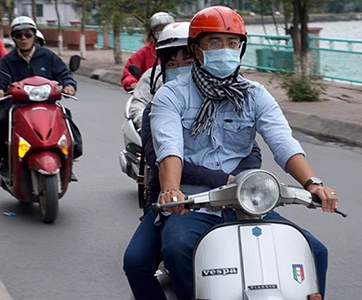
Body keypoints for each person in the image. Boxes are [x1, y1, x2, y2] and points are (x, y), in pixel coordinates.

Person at [127, 6, 339, 300]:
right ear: (196, 49)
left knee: (315, 250)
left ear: (241, 48)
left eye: (232, 43)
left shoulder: (255, 94)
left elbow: (282, 142)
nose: (224, 50)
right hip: (191, 206)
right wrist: (172, 191)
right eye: (214, 43)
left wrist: (313, 183)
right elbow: (169, 148)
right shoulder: (170, 95)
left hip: (244, 203)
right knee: (173, 250)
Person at [123, 19, 263, 299]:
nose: (180, 70)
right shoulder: (159, 107)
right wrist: (223, 179)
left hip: (236, 200)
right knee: (136, 262)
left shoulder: (233, 96)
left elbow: (251, 149)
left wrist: (241, 181)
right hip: (179, 202)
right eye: (171, 64)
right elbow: (162, 159)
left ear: (199, 57)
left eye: (186, 60)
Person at [0, 16, 77, 173]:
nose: (23, 39)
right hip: (18, 105)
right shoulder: (8, 60)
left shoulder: (48, 56)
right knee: (1, 120)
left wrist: (69, 85)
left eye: (27, 34)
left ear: (34, 35)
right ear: (14, 38)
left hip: (46, 103)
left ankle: (72, 154)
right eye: (19, 35)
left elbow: (65, 74)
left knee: (65, 115)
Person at [120, 12, 174, 92]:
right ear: (152, 33)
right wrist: (133, 84)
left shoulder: (184, 49)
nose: (163, 31)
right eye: (160, 29)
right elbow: (128, 74)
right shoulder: (144, 52)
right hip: (151, 95)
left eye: (166, 28)